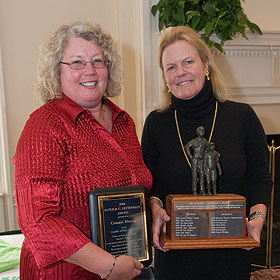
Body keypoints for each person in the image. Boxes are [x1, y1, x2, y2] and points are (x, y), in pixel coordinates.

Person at [13, 21, 152, 280]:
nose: (90, 70)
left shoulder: (124, 121)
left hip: (125, 267)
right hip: (67, 273)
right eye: (77, 62)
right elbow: (37, 221)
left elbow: (133, 190)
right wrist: (107, 266)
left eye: (98, 61)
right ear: (57, 71)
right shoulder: (45, 125)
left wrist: (152, 210)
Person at [141, 26, 272, 280]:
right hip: (175, 258)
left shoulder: (242, 117)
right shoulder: (156, 123)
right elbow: (149, 183)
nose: (181, 73)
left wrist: (257, 220)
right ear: (165, 76)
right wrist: (155, 206)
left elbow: (259, 177)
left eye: (188, 62)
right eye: (171, 67)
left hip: (231, 255)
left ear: (205, 65)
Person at [184, 126, 209, 195]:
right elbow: (186, 147)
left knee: (202, 175)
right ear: (197, 132)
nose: (202, 132)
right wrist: (191, 157)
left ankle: (202, 190)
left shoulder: (205, 141)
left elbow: (209, 148)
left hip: (202, 160)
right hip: (195, 160)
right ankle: (194, 191)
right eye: (201, 130)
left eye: (203, 131)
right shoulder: (194, 141)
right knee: (194, 176)